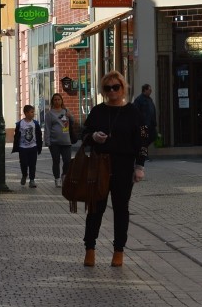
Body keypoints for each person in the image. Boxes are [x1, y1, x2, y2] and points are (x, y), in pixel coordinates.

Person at [81, 71, 148, 268]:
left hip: (124, 165)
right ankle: (90, 249)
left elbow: (142, 140)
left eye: (116, 87)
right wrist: (93, 137)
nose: (112, 92)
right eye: (108, 88)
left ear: (123, 87)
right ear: (104, 90)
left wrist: (140, 165)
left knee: (121, 210)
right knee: (95, 208)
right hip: (99, 164)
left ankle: (118, 251)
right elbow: (83, 133)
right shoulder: (98, 111)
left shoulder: (134, 112)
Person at [43, 93, 74, 188]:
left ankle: (64, 175)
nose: (57, 101)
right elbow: (47, 128)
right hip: (54, 142)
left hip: (66, 141)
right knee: (56, 161)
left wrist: (70, 116)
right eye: (55, 100)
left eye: (58, 99)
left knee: (67, 161)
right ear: (52, 101)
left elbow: (73, 122)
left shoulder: (66, 111)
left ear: (61, 101)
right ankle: (57, 178)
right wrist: (47, 141)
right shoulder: (49, 114)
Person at [15, 105, 43, 187]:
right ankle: (24, 174)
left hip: (33, 147)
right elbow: (17, 136)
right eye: (31, 112)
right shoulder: (20, 124)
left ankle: (32, 180)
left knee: (32, 164)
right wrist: (16, 146)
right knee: (23, 163)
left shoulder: (35, 123)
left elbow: (38, 135)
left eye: (33, 112)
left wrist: (39, 147)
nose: (33, 114)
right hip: (23, 147)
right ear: (26, 113)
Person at [132, 84, 158, 148]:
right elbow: (135, 112)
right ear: (145, 90)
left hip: (151, 124)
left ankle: (143, 152)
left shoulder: (149, 99)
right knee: (144, 141)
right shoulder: (139, 100)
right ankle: (143, 156)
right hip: (143, 125)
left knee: (153, 136)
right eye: (149, 90)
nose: (151, 91)